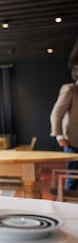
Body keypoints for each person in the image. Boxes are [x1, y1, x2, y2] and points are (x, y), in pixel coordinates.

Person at [50, 62, 78, 190]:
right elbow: (57, 113)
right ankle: (70, 206)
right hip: (73, 141)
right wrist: (59, 136)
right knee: (73, 176)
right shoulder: (70, 89)